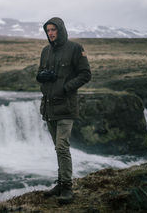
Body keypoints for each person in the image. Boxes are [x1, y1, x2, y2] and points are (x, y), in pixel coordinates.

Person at [36, 17, 91, 204]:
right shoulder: (45, 51)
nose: (51, 33)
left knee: (62, 146)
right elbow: (42, 73)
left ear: (61, 30)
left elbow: (86, 74)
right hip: (49, 105)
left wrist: (67, 87)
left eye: (54, 29)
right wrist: (41, 78)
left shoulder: (75, 48)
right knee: (58, 148)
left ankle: (67, 187)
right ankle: (60, 183)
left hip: (66, 106)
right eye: (48, 30)